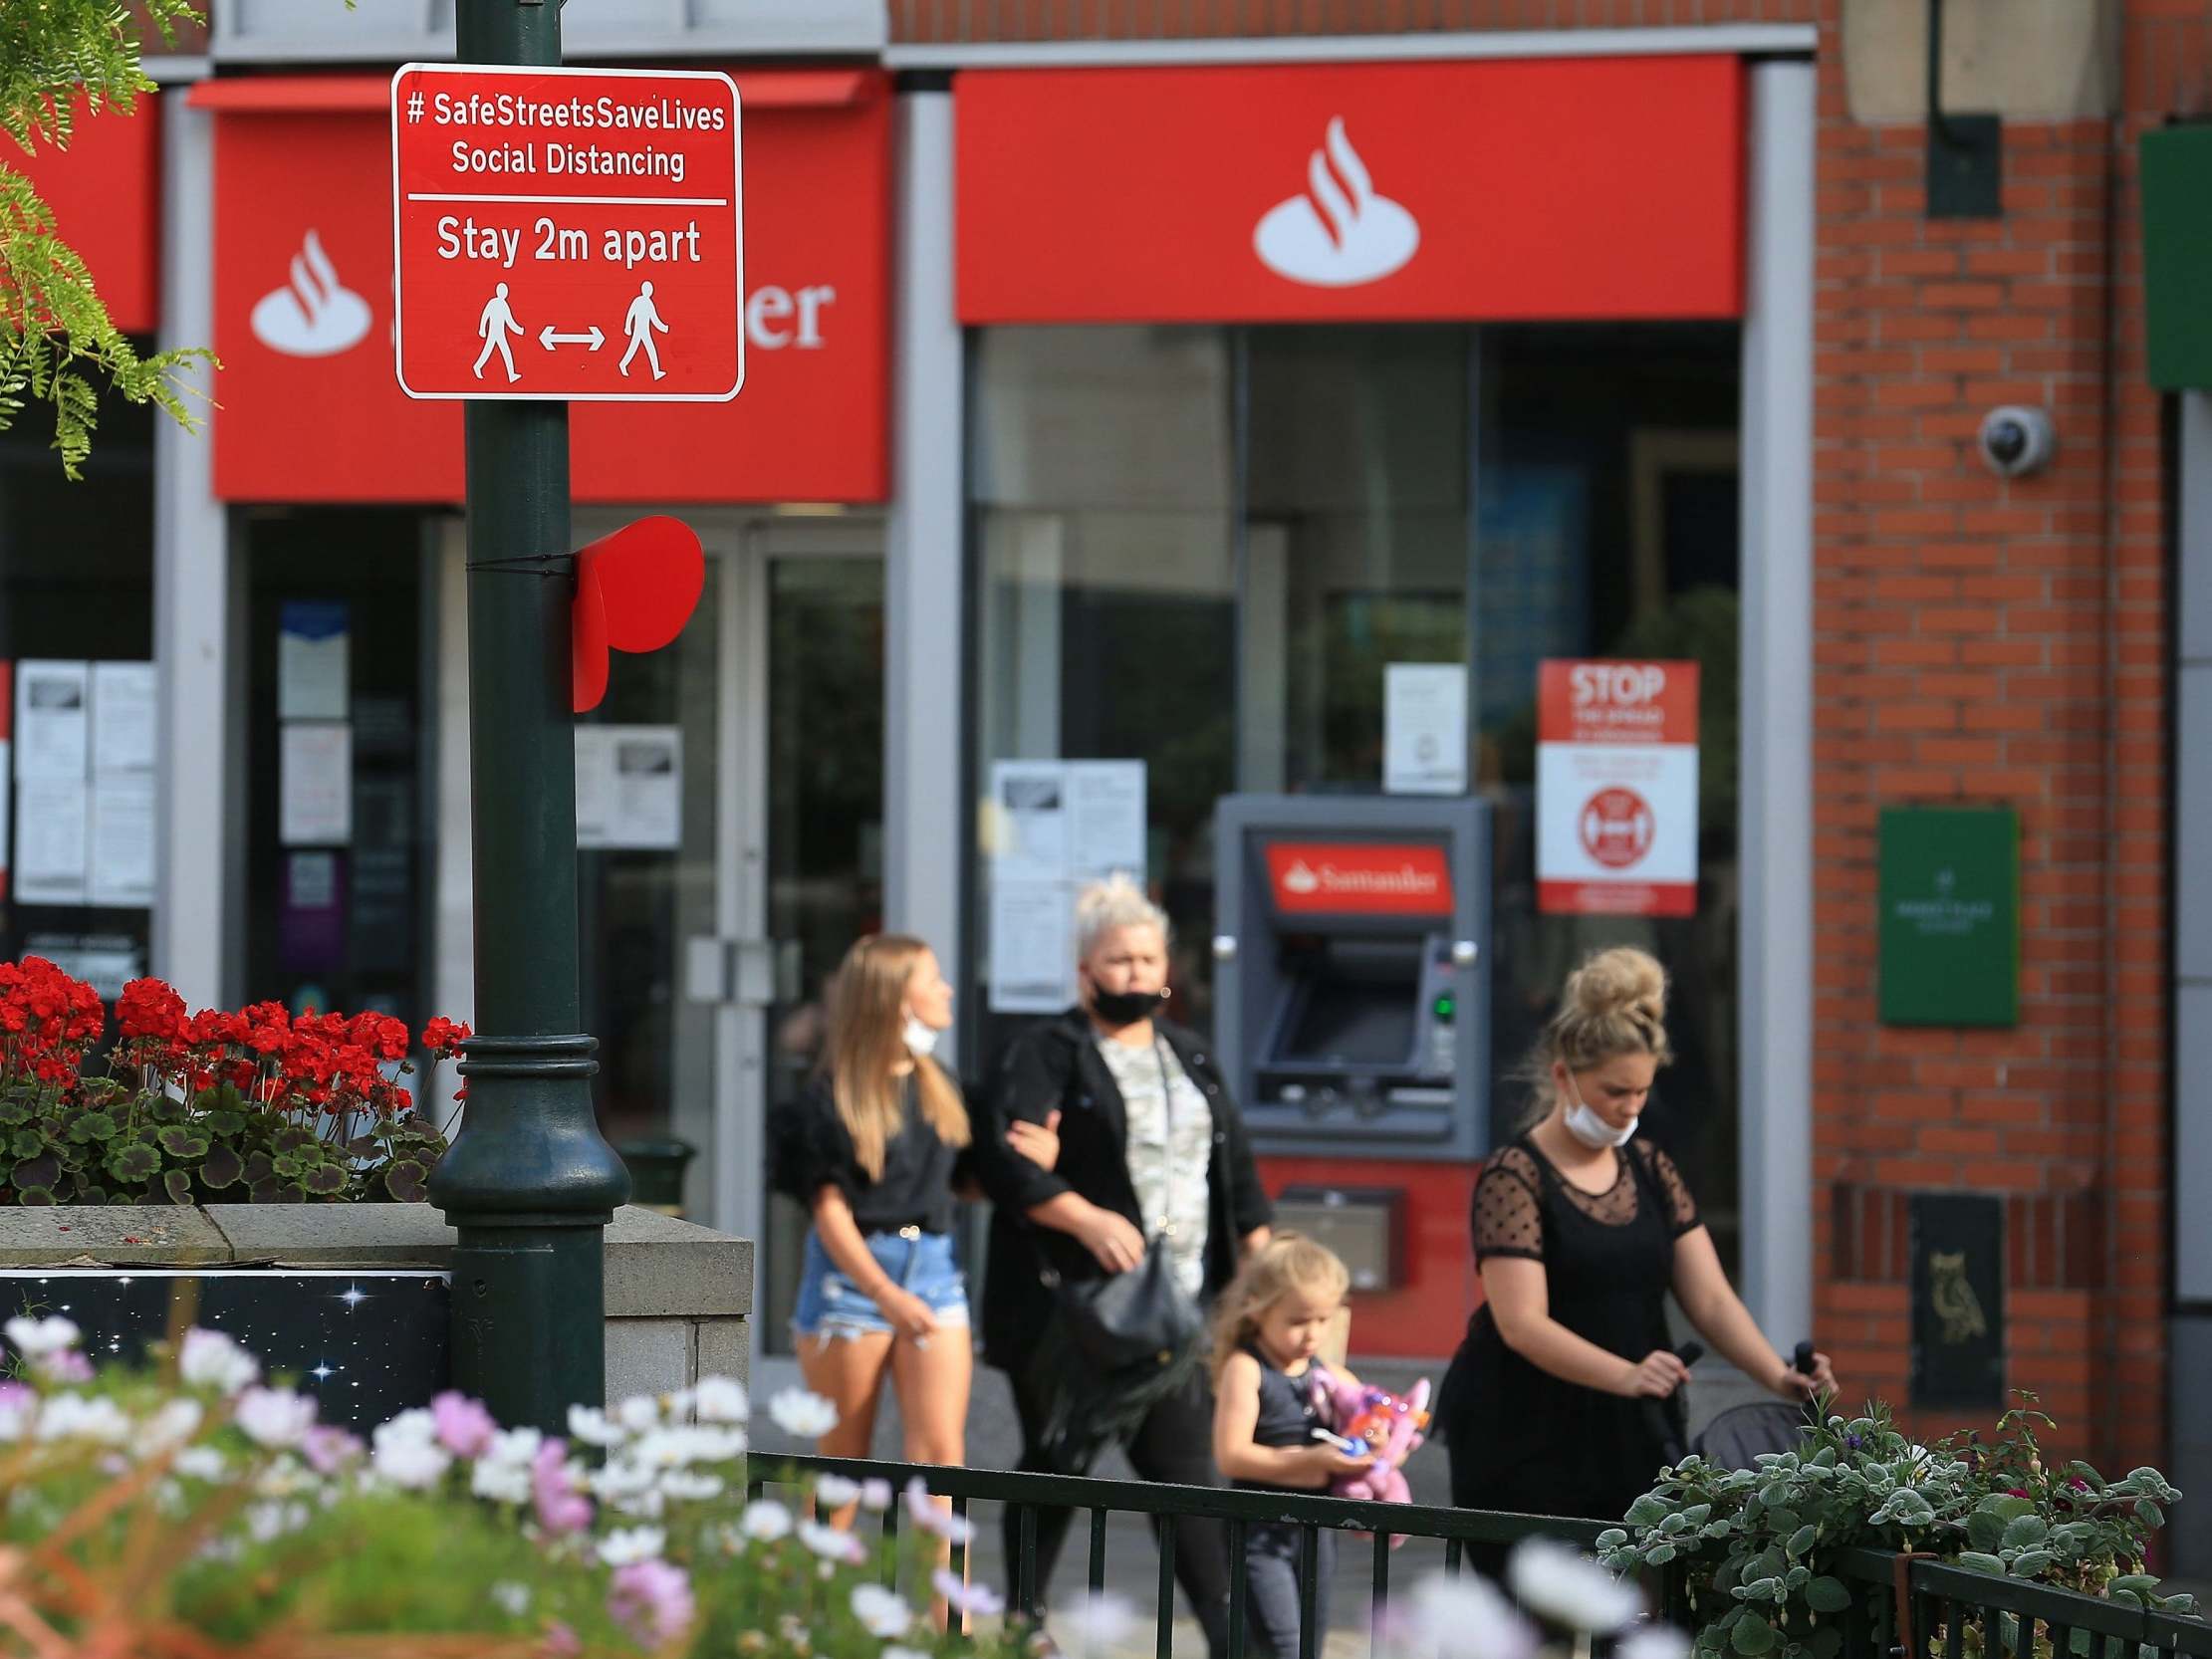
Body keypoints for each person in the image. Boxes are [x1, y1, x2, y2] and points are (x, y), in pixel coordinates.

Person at [1438, 946, 1837, 1546]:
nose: (1629, 1108)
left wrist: (1778, 1376)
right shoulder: (1514, 1176)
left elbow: (1711, 1301)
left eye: (1641, 1092)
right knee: (1532, 1622)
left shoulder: (1649, 1168)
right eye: (1613, 1091)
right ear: (1562, 1076)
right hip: (1526, 1426)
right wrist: (1625, 1374)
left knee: (1638, 1607)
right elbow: (1520, 1323)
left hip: (1631, 1420)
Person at [976, 875, 1274, 1659]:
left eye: (1147, 959)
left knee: (1184, 1480)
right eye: (1119, 960)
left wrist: (1259, 1283)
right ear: (1085, 972)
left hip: (1178, 1309)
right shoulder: (1049, 1053)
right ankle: (1023, 1623)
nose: (1136, 975)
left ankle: (1229, 1640)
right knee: (1058, 1462)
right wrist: (1083, 1213)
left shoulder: (1191, 1056)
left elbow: (1238, 1178)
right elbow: (1007, 1164)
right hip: (1073, 1309)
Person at [769, 934, 1061, 1470]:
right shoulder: (834, 1097)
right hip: (852, 1278)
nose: (947, 990)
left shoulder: (939, 1083)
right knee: (843, 1467)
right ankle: (827, 1557)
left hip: (933, 1271)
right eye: (933, 980)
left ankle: (939, 1560)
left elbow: (965, 1182)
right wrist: (884, 1294)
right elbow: (829, 1211)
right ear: (896, 999)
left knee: (941, 1460)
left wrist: (1031, 1162)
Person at [1210, 1236, 1381, 1659]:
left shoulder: (1330, 1373)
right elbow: (1231, 1454)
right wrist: (1311, 1461)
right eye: (1298, 1320)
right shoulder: (1246, 1368)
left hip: (1315, 1530)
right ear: (1258, 1308)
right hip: (1258, 1531)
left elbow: (1376, 1433)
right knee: (1283, 1645)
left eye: (1324, 1320)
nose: (1313, 1335)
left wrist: (1375, 1442)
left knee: (1309, 1644)